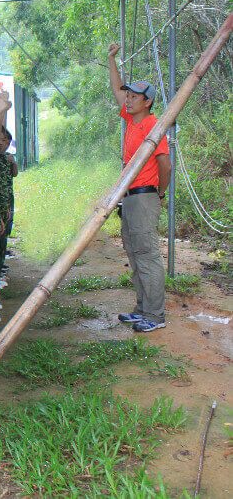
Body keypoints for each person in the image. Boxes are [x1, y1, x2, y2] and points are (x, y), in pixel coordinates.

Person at [108, 43, 171, 332]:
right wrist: (111, 59)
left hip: (145, 196)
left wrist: (159, 193)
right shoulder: (133, 121)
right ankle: (142, 309)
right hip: (131, 197)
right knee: (134, 253)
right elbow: (116, 89)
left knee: (146, 255)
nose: (128, 99)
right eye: (129, 95)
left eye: (134, 96)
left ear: (147, 102)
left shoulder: (153, 126)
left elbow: (165, 165)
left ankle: (155, 316)